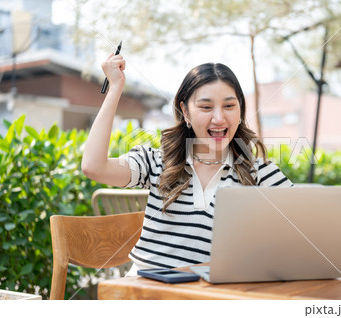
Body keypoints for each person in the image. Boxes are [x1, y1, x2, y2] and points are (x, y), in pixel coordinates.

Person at [82, 53, 293, 275]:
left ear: (240, 111)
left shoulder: (260, 174)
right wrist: (115, 87)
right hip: (145, 292)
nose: (219, 118)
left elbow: (307, 232)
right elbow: (94, 167)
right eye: (206, 107)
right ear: (186, 112)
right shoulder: (156, 161)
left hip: (209, 297)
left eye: (229, 106)